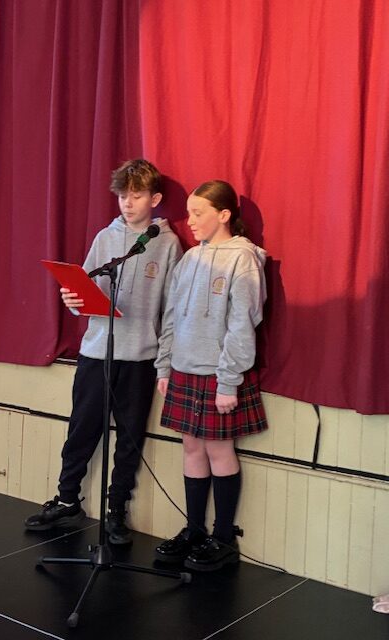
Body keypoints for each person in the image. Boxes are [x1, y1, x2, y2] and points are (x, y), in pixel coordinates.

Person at [25, 159, 182, 544]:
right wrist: (72, 301)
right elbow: (84, 289)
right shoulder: (105, 238)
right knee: (82, 427)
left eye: (137, 196)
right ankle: (67, 499)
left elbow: (172, 310)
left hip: (140, 358)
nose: (128, 203)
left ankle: (116, 512)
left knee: (129, 439)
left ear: (154, 199)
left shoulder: (167, 244)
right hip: (98, 353)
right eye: (123, 195)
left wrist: (163, 362)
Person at [153, 180, 268, 571]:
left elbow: (242, 324)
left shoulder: (243, 259)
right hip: (183, 369)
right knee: (191, 448)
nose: (190, 221)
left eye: (198, 213)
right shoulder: (189, 259)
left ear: (224, 215)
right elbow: (171, 316)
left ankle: (222, 538)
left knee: (220, 451)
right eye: (188, 213)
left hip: (218, 374)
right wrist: (165, 365)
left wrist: (228, 380)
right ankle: (194, 530)